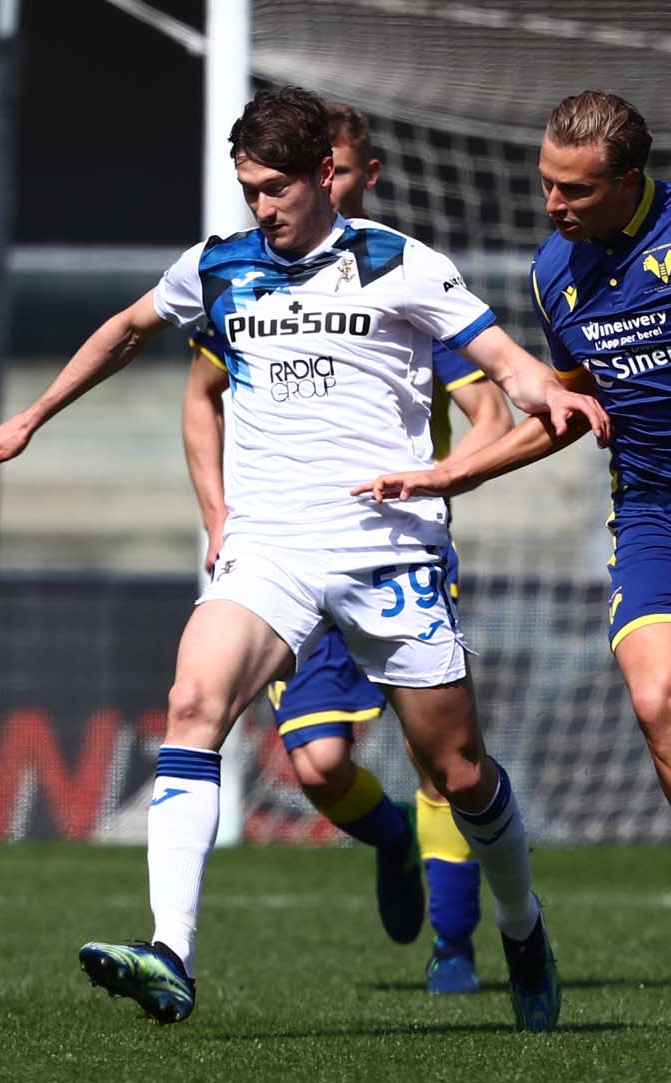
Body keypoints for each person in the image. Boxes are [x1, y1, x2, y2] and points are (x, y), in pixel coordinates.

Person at [0, 86, 609, 1029]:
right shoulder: (219, 266)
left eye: (276, 189)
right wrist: (32, 415)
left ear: (323, 175)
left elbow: (505, 365)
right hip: (270, 549)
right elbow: (128, 330)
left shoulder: (399, 263)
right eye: (249, 191)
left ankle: (521, 928)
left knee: (461, 772)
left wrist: (547, 395)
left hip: (388, 550)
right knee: (194, 702)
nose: (262, 208)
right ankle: (172, 954)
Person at [352, 90, 671, 1009]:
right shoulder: (554, 269)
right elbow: (573, 406)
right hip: (659, 519)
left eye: (575, 189)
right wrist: (453, 473)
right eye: (546, 183)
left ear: (630, 180)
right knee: (658, 700)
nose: (553, 204)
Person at [181, 102, 512, 996]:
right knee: (318, 766)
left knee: (445, 762)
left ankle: (456, 945)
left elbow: (491, 407)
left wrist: (440, 478)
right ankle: (392, 840)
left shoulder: (402, 282)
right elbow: (202, 391)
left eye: (338, 166)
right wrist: (217, 513)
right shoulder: (252, 284)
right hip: (287, 552)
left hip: (389, 549)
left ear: (357, 175)